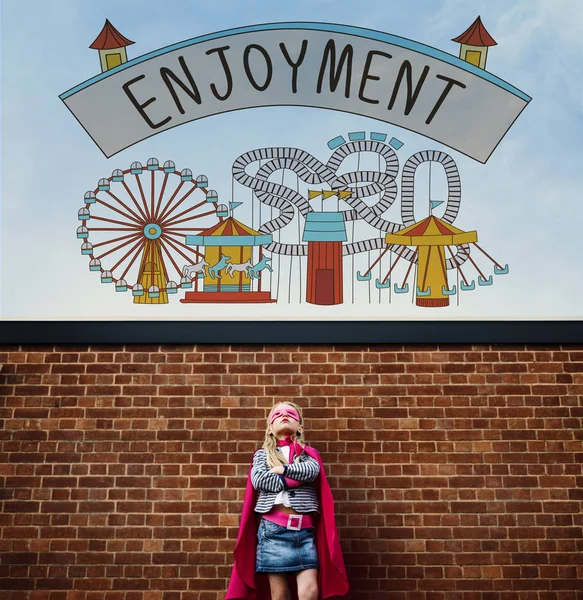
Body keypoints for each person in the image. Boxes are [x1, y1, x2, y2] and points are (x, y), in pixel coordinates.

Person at [226, 402, 349, 600]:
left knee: (310, 592)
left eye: (290, 413)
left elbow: (311, 471)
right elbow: (260, 480)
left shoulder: (308, 454)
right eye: (277, 414)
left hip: (304, 533)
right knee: (280, 594)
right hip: (272, 531)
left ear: (300, 426)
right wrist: (295, 479)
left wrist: (282, 471)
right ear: (269, 429)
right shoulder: (261, 455)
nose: (284, 415)